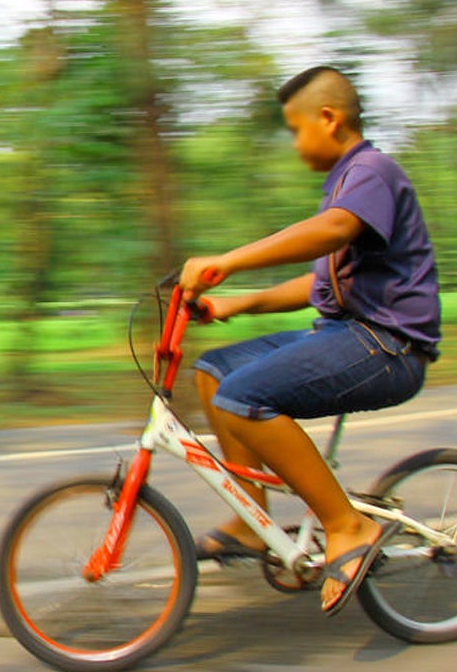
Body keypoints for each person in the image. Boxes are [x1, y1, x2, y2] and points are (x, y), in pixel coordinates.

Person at [180, 65, 440, 615]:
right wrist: (237, 301)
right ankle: (252, 519)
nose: (295, 142)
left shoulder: (371, 172)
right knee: (214, 373)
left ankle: (347, 526)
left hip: (388, 344)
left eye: (296, 129)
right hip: (347, 333)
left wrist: (226, 262)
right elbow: (320, 281)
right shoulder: (345, 186)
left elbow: (332, 232)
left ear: (329, 118)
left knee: (245, 398)